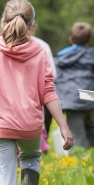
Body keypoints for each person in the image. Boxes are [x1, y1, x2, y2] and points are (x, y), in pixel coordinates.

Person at [0, 0, 73, 185]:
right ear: (32, 25)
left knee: (5, 173)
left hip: (0, 123)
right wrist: (63, 126)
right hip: (30, 123)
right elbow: (48, 92)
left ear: (2, 22)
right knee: (31, 158)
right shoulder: (40, 52)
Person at [55, 22, 94, 148]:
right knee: (91, 129)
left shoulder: (60, 57)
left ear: (70, 39)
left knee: (77, 135)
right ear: (89, 40)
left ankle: (83, 161)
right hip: (91, 97)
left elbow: (53, 79)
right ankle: (89, 159)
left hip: (70, 100)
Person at [30, 24, 57, 152]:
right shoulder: (42, 45)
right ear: (32, 25)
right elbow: (52, 75)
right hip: (37, 98)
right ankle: (41, 147)